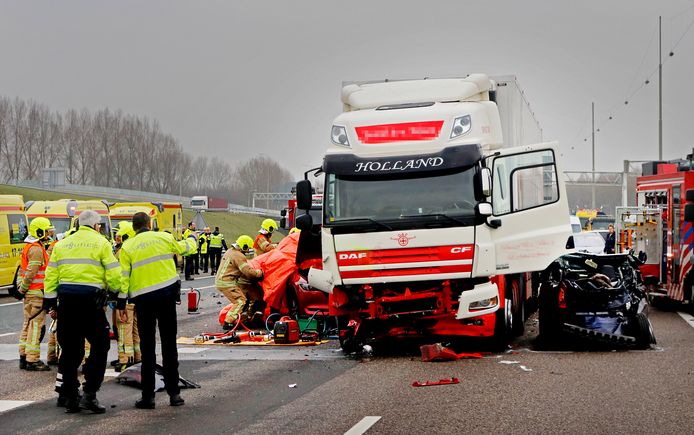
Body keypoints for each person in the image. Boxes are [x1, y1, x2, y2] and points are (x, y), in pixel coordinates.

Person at [44, 210, 125, 414]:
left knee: (71, 351)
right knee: (100, 346)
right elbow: (114, 274)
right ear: (97, 226)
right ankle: (90, 393)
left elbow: (51, 274)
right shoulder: (101, 243)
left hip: (68, 303)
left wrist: (51, 302)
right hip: (91, 304)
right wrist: (118, 294)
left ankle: (71, 396)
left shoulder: (62, 245)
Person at [119, 211, 193, 409]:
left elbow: (123, 277)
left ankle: (148, 397)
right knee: (169, 346)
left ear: (134, 228)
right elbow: (185, 248)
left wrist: (120, 304)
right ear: (149, 224)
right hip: (166, 297)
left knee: (147, 349)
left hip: (143, 301)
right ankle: (174, 394)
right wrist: (192, 238)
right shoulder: (163, 237)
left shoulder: (127, 247)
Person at [18, 217, 55, 371]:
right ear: (39, 231)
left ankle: (23, 355)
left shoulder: (29, 247)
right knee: (36, 326)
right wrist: (23, 289)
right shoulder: (37, 249)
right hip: (37, 293)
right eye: (46, 231)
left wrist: (21, 289)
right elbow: (31, 273)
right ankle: (32, 360)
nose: (48, 234)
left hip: (30, 294)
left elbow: (22, 271)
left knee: (27, 324)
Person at [215, 235, 264, 329]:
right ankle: (228, 322)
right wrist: (259, 273)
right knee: (240, 301)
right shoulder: (239, 256)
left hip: (224, 281)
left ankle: (241, 319)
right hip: (227, 283)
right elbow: (248, 272)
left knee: (243, 299)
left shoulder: (230, 251)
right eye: (247, 248)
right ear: (244, 246)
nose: (247, 251)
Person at [112, 222, 140, 372]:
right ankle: (138, 357)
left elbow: (119, 276)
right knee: (135, 329)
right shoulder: (137, 250)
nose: (117, 240)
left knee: (123, 330)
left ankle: (125, 360)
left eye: (119, 237)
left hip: (125, 297)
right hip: (136, 297)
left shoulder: (123, 252)